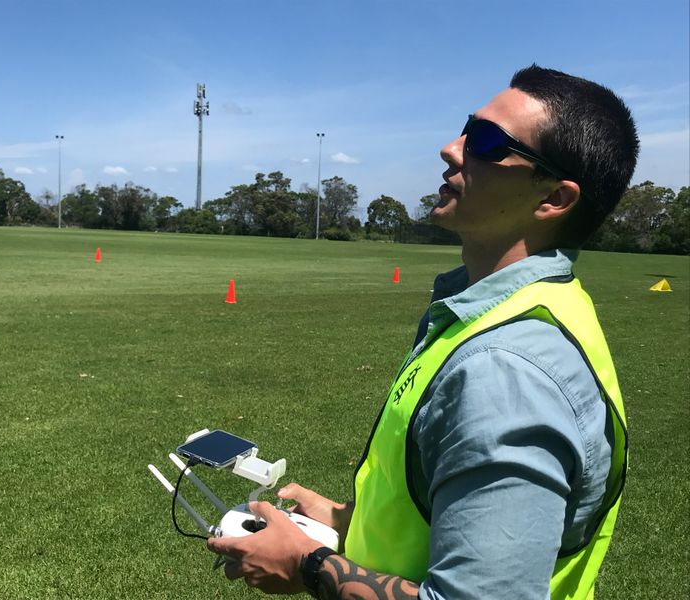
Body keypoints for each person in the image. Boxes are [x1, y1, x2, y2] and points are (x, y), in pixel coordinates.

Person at [208, 64, 638, 600]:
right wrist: (348, 523)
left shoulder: (505, 370)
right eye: (466, 127)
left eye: (486, 141)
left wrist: (307, 564)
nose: (450, 148)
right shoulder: (508, 311)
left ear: (553, 199)